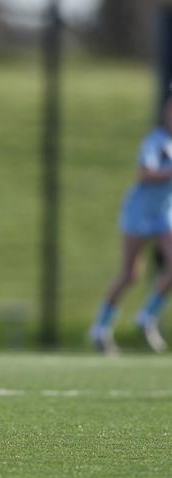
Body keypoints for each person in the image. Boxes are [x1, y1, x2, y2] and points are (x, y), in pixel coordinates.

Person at [89, 97, 172, 354]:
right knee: (131, 274)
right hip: (139, 213)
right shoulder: (155, 140)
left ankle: (147, 317)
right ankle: (100, 328)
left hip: (165, 214)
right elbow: (145, 173)